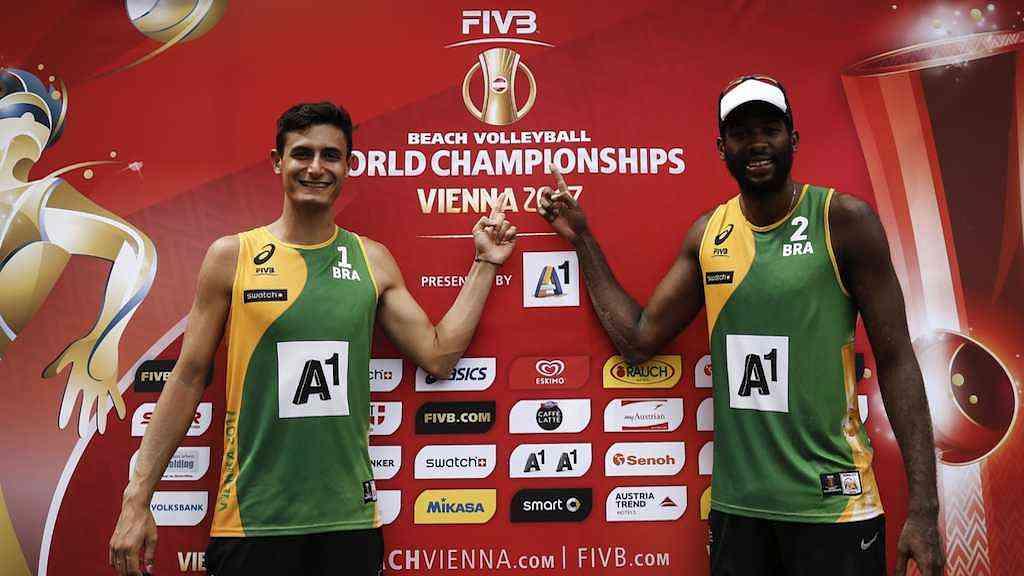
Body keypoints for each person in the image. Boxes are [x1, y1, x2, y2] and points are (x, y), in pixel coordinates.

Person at [538, 75, 943, 576]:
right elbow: (639, 339)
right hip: (739, 513)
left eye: (770, 129)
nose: (756, 143)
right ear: (721, 148)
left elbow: (897, 360)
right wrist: (582, 239)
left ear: (793, 139)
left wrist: (924, 510)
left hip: (835, 508)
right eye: (740, 133)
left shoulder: (843, 221)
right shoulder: (708, 234)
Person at [108, 102, 517, 576]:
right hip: (252, 523)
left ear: (349, 166)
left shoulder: (371, 260)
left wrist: (485, 263)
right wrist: (137, 499)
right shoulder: (232, 256)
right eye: (302, 153)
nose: (316, 168)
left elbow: (438, 354)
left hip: (348, 524)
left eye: (331, 155)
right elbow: (187, 378)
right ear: (277, 161)